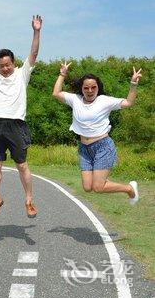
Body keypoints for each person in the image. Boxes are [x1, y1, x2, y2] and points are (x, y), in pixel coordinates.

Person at [0, 15, 42, 219]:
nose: (5, 68)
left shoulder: (22, 74)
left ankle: (29, 200)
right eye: (1, 65)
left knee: (22, 165)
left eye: (8, 64)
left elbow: (34, 53)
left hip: (17, 125)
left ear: (13, 62)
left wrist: (36, 31)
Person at [52, 62, 141, 204]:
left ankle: (129, 188)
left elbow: (128, 103)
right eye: (86, 87)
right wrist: (62, 74)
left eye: (93, 87)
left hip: (102, 146)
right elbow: (56, 93)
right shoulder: (75, 100)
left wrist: (133, 84)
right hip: (84, 149)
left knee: (98, 187)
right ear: (82, 89)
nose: (90, 90)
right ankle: (122, 186)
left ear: (98, 88)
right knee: (88, 187)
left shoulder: (104, 101)